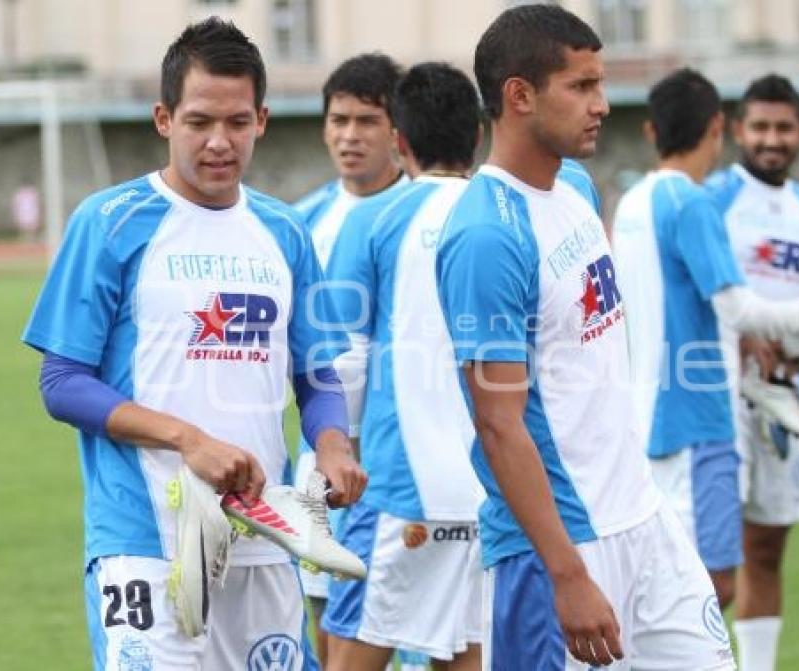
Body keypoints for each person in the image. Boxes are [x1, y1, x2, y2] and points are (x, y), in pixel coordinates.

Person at [21, 17, 366, 670]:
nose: (219, 142)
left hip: (263, 538)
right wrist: (189, 439)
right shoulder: (110, 221)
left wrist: (332, 445)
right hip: (147, 539)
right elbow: (62, 382)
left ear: (262, 119)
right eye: (200, 121)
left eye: (237, 122)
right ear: (163, 118)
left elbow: (318, 373)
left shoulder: (286, 233)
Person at [436, 6, 735, 670]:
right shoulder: (486, 236)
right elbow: (499, 424)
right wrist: (567, 574)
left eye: (600, 84)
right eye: (581, 86)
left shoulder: (573, 184)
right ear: (520, 95)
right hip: (560, 550)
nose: (602, 104)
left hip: (644, 519)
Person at [612, 68, 799, 614]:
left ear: (650, 131)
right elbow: (736, 306)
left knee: (673, 580)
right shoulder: (695, 202)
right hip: (703, 419)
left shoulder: (632, 203)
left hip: (649, 416)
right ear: (721, 127)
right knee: (708, 588)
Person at [320, 61, 485, 671]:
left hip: (399, 483)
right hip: (492, 485)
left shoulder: (372, 219)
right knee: (462, 648)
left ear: (401, 141)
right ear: (477, 134)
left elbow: (347, 358)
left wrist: (346, 448)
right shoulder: (505, 215)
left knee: (354, 647)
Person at [705, 74, 799, 671]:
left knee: (765, 551)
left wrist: (796, 353)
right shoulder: (709, 199)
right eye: (759, 126)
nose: (771, 139)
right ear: (738, 130)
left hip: (787, 405)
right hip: (711, 403)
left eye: (783, 127)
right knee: (707, 563)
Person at [288, 51, 408, 668]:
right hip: (327, 460)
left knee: (429, 633)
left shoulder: (426, 212)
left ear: (398, 129)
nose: (349, 135)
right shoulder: (301, 223)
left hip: (407, 457)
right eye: (339, 120)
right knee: (328, 622)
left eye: (366, 120)